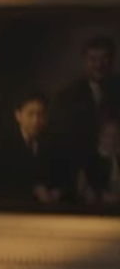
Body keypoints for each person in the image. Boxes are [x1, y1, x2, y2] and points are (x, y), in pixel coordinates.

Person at [0, 91, 68, 206]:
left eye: (40, 114)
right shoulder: (2, 144)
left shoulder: (52, 144)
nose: (36, 121)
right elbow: (1, 181)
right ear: (18, 115)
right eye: (30, 114)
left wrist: (56, 192)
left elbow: (60, 177)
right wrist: (34, 190)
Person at [49, 34, 119, 169]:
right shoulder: (67, 96)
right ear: (83, 61)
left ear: (112, 60)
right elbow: (59, 139)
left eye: (104, 58)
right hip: (76, 168)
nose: (99, 65)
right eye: (93, 59)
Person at [79, 117, 120, 209]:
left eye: (115, 136)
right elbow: (85, 190)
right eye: (107, 135)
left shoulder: (117, 159)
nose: (111, 140)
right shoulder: (90, 160)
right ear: (100, 136)